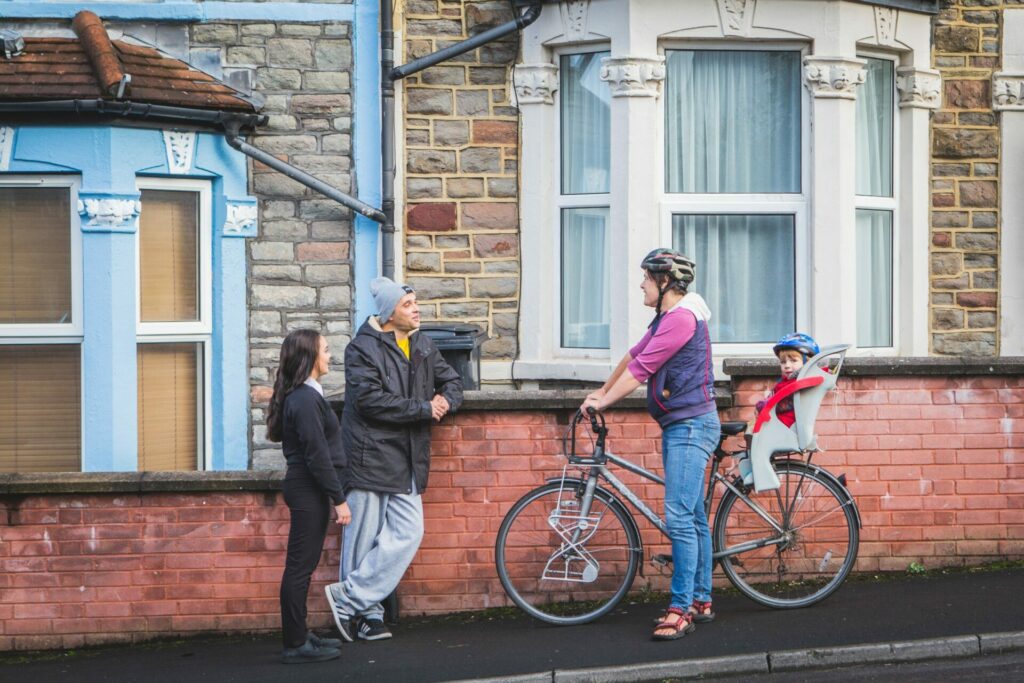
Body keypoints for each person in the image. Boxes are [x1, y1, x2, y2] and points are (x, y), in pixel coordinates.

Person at [581, 248, 720, 641]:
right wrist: (602, 389)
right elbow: (632, 356)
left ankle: (681, 609)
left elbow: (642, 371)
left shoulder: (682, 319)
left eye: (646, 277)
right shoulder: (666, 318)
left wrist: (604, 401)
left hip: (691, 426)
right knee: (692, 517)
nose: (640, 283)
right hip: (682, 425)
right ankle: (701, 600)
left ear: (665, 283)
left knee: (678, 517)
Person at [325, 277, 463, 643]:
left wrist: (446, 400)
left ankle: (348, 598)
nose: (416, 309)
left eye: (416, 302)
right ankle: (367, 616)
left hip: (409, 459)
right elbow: (370, 401)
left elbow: (452, 380)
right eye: (408, 304)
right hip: (369, 458)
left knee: (408, 531)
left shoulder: (422, 343)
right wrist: (423, 408)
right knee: (363, 540)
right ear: (388, 313)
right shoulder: (361, 349)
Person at [267, 329, 351, 664]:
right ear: (310, 358)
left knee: (304, 566)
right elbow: (317, 454)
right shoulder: (303, 399)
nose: (330, 356)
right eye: (326, 350)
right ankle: (294, 644)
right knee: (299, 569)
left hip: (309, 489)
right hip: (307, 489)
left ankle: (300, 635)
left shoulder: (306, 395)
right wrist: (339, 499)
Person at [755, 333, 820, 428]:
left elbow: (781, 404)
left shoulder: (799, 384)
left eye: (793, 361)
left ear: (807, 362)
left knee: (753, 432)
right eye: (783, 362)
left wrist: (761, 406)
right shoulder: (785, 382)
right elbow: (772, 396)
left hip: (785, 427)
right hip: (777, 423)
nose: (787, 365)